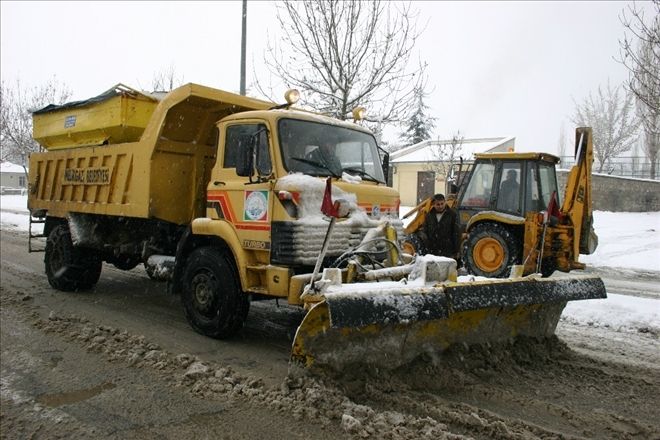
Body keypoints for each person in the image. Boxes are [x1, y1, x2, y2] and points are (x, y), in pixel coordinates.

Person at [419, 193, 460, 259]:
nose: (440, 206)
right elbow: (425, 231)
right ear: (433, 205)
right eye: (438, 204)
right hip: (433, 252)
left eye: (442, 204)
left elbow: (456, 233)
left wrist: (457, 251)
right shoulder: (429, 216)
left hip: (448, 252)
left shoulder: (452, 215)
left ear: (445, 203)